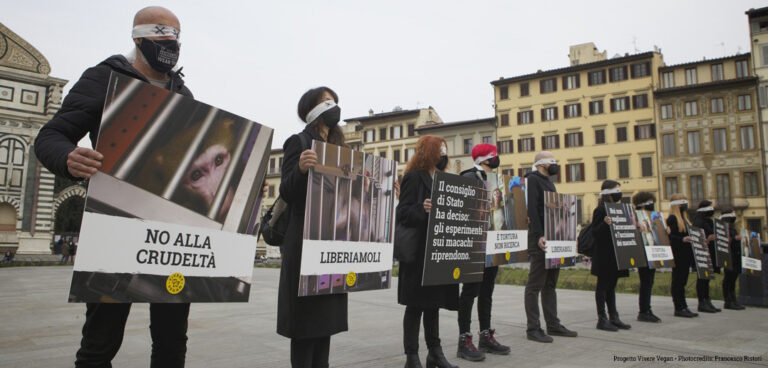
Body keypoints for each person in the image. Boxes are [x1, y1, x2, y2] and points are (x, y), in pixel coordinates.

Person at [34, 7, 192, 367]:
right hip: (115, 226)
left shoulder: (183, 93)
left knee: (172, 342)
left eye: (176, 35)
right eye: (160, 32)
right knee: (100, 342)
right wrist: (69, 157)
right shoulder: (104, 78)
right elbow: (51, 136)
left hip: (172, 235)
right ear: (138, 37)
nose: (170, 41)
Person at [277, 87, 347, 367]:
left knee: (325, 324)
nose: (334, 107)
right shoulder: (299, 141)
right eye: (326, 102)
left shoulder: (340, 150)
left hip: (332, 243)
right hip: (306, 244)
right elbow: (287, 191)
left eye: (335, 102)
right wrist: (301, 170)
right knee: (306, 326)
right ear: (311, 110)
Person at [397, 135, 458, 368]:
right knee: (415, 306)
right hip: (418, 254)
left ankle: (435, 352)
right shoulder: (413, 178)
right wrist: (422, 210)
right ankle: (412, 356)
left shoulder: (444, 180)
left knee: (434, 304)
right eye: (439, 149)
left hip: (437, 253)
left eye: (445, 150)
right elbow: (403, 213)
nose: (443, 154)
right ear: (428, 152)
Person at [456, 143, 510, 362]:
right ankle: (464, 340)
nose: (496, 159)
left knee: (487, 291)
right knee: (470, 292)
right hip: (475, 245)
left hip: (493, 243)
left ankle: (485, 336)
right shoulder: (469, 177)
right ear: (485, 158)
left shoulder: (497, 181)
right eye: (493, 156)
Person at [523, 151, 577, 343]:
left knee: (550, 284)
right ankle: (533, 328)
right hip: (541, 240)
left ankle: (553, 324)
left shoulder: (549, 182)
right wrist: (538, 235)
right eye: (552, 161)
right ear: (541, 164)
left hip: (554, 238)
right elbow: (531, 210)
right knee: (535, 285)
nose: (555, 164)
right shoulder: (532, 180)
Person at [590, 180, 631, 331]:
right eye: (616, 189)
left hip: (616, 254)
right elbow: (594, 232)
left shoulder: (620, 209)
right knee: (602, 286)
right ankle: (602, 318)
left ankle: (614, 316)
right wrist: (604, 224)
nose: (619, 192)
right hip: (604, 254)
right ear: (608, 192)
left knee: (612, 286)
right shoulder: (600, 210)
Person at [666, 194, 698, 318]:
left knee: (683, 280)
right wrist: (682, 239)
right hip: (678, 253)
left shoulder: (685, 219)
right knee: (678, 281)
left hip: (686, 253)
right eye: (683, 202)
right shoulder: (673, 219)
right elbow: (670, 237)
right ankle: (679, 307)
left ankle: (683, 305)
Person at [632, 192, 662, 323]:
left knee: (650, 281)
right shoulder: (635, 217)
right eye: (650, 202)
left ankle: (647, 309)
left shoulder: (654, 215)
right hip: (642, 252)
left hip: (653, 250)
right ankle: (644, 310)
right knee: (645, 281)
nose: (652, 204)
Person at [692, 200, 721, 313]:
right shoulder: (699, 222)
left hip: (711, 253)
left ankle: (707, 300)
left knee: (707, 278)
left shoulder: (709, 221)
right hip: (703, 254)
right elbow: (697, 237)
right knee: (702, 279)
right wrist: (707, 239)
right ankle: (702, 302)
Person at [720, 211, 746, 310]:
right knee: (729, 279)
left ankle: (733, 300)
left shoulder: (732, 228)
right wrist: (735, 238)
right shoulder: (723, 227)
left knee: (733, 279)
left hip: (735, 256)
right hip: (729, 256)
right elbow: (725, 240)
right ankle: (728, 301)